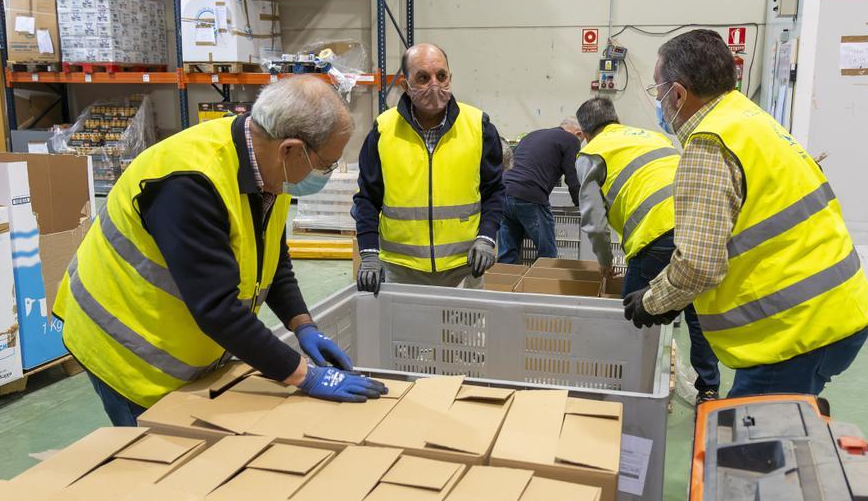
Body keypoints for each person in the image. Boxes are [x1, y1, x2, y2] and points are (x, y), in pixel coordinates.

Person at [54, 78, 387, 426]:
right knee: (158, 457)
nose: (327, 174)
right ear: (290, 148)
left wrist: (302, 324)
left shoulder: (270, 165)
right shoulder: (191, 184)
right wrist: (305, 375)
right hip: (127, 349)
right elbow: (217, 308)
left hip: (185, 341)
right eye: (327, 164)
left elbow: (272, 256)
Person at [626, 29, 868, 397]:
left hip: (794, 332)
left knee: (744, 450)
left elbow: (699, 264)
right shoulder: (749, 118)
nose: (659, 103)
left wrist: (652, 302)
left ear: (677, 94)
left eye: (657, 91)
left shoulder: (709, 144)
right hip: (837, 308)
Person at [575, 97, 722, 402]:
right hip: (698, 226)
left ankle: (625, 388)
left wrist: (605, 261)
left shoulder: (591, 152)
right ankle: (708, 388)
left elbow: (593, 220)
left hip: (655, 236)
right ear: (616, 119)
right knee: (699, 312)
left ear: (586, 132)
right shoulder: (652, 135)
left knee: (633, 312)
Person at [352, 43, 506, 294]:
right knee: (404, 334)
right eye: (423, 78)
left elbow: (495, 191)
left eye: (441, 76)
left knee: (462, 334)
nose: (435, 84)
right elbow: (367, 198)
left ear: (450, 78)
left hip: (464, 268)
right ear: (405, 85)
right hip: (401, 271)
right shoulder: (384, 130)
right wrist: (369, 252)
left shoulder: (479, 126)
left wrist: (487, 236)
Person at [497, 119, 584, 263]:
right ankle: (542, 284)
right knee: (547, 256)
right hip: (530, 195)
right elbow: (573, 179)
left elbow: (511, 162)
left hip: (504, 193)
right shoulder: (571, 140)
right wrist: (580, 204)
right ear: (578, 133)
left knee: (507, 255)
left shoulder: (533, 134)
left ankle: (505, 284)